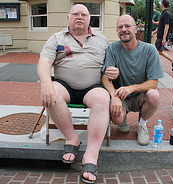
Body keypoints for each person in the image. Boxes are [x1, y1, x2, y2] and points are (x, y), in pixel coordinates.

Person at [37, 4, 117, 184]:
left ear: (89, 19)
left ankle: (91, 156)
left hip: (92, 87)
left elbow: (111, 66)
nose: (79, 17)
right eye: (75, 14)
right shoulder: (56, 38)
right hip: (64, 85)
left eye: (84, 14)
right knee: (52, 93)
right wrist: (45, 83)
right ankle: (72, 138)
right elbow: (44, 62)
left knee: (102, 98)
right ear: (68, 18)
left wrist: (114, 72)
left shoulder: (102, 40)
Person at [102, 14, 164, 146]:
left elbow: (154, 83)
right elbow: (105, 78)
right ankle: (122, 118)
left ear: (136, 29)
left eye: (127, 26)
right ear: (117, 31)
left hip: (140, 96)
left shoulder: (149, 50)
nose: (123, 29)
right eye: (120, 27)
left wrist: (132, 88)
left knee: (154, 95)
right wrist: (114, 96)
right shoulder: (112, 48)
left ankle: (142, 125)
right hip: (120, 95)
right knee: (117, 119)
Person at [152, 0, 173, 71]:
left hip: (161, 37)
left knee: (158, 51)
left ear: (162, 4)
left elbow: (166, 26)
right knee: (158, 51)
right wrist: (154, 32)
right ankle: (172, 61)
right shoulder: (164, 13)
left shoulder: (166, 13)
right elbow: (160, 25)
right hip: (159, 36)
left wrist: (164, 38)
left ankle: (172, 61)